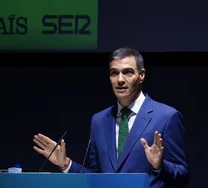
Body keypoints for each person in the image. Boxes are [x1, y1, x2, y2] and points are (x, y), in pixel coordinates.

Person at [33, 47, 189, 187]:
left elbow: (182, 175)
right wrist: (66, 164)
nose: (120, 80)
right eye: (114, 73)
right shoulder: (99, 121)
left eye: (127, 72)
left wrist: (159, 166)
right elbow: (96, 177)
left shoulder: (167, 117)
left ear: (141, 75)